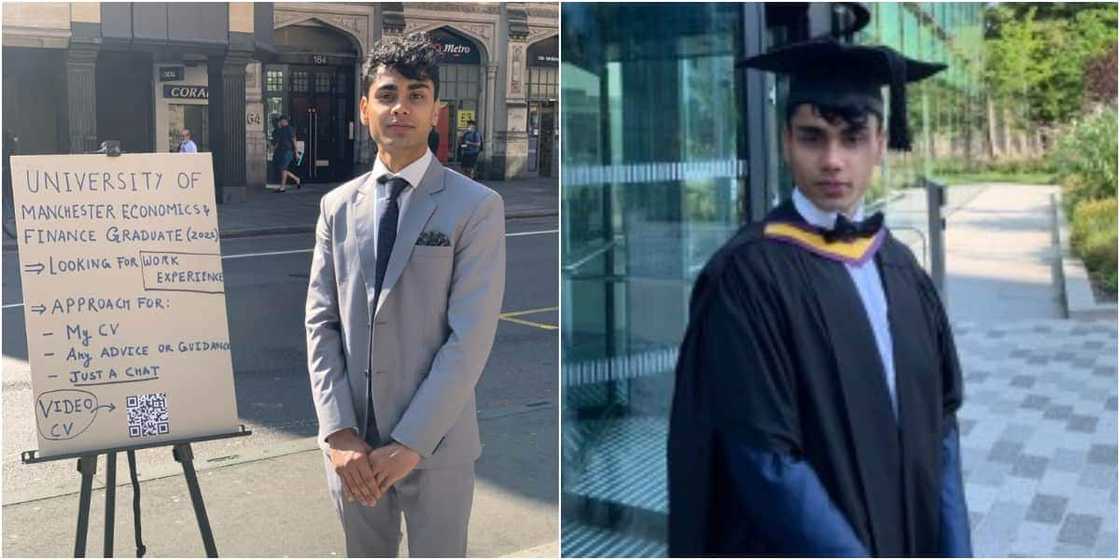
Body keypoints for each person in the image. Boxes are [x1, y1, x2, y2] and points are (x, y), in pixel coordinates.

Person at [667, 38, 972, 557]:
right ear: (786, 141)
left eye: (852, 138)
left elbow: (941, 432)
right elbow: (765, 461)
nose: (833, 161)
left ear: (880, 142)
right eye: (813, 138)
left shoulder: (901, 270)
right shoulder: (747, 276)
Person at [305, 31, 505, 557]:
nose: (402, 108)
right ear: (366, 107)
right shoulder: (337, 207)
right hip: (354, 448)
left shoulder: (475, 207)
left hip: (437, 445)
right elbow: (321, 324)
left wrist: (412, 441)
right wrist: (337, 432)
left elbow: (470, 338)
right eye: (389, 94)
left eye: (417, 95)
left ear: (435, 108)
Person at [272, 116, 301, 192]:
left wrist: (296, 152)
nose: (279, 123)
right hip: (282, 152)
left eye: (280, 121)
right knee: (282, 169)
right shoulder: (281, 130)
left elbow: (294, 140)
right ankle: (296, 179)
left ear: (284, 121)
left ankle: (282, 187)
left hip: (288, 151)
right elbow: (278, 142)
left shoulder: (289, 129)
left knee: (283, 169)